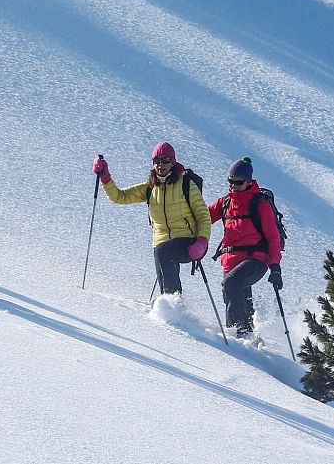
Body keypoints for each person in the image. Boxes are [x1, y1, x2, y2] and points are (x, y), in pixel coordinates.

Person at [92, 142, 212, 296]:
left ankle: (173, 306)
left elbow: (203, 215)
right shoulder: (150, 187)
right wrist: (105, 177)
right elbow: (119, 197)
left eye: (166, 160)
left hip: (189, 242)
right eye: (157, 161)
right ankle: (173, 312)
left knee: (163, 252)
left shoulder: (186, 184)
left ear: (173, 162)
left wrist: (202, 241)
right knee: (163, 262)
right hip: (161, 246)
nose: (161, 164)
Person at [208, 156, 283, 338]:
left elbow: (273, 238)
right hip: (230, 262)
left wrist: (275, 267)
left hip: (256, 260)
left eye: (238, 182)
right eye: (230, 181)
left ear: (249, 182)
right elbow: (204, 217)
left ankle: (238, 334)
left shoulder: (260, 204)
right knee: (234, 296)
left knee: (231, 283)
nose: (233, 185)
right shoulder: (225, 203)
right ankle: (249, 340)